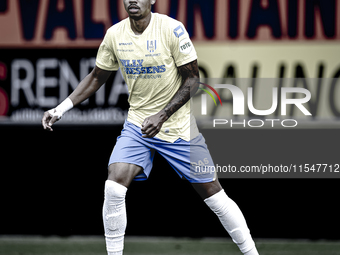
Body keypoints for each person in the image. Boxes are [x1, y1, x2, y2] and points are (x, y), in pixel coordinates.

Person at [42, 1, 259, 254]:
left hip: (177, 127)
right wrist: (60, 109)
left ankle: (251, 253)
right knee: (113, 186)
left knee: (214, 195)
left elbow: (193, 80)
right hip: (139, 126)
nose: (133, 0)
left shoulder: (172, 29)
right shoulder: (114, 34)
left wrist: (163, 115)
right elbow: (96, 77)